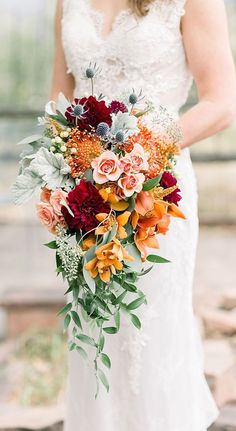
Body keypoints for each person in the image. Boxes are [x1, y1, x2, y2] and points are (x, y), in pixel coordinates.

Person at [51, 1, 236, 430]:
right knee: (94, 336)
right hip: (84, 199)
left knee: (150, 335)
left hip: (155, 195)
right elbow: (59, 103)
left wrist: (139, 154)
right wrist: (56, 177)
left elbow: (221, 103)